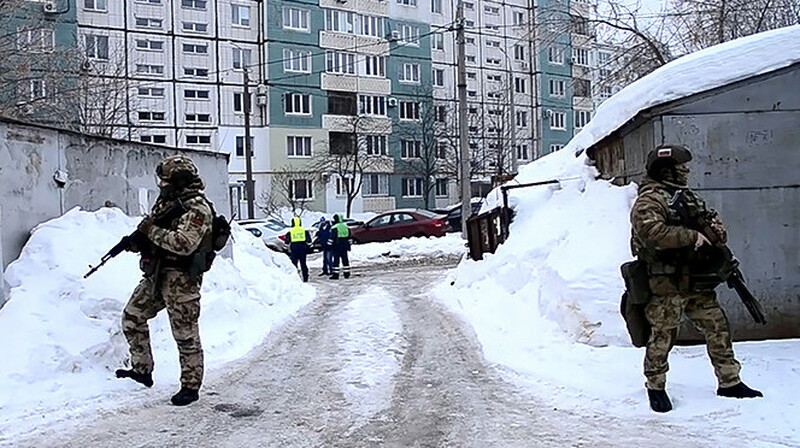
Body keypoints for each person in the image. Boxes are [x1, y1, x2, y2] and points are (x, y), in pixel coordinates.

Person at [630, 144, 762, 413]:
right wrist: (691, 236)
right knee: (663, 335)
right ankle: (656, 387)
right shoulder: (650, 200)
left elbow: (710, 223)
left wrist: (716, 231)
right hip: (667, 283)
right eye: (681, 168)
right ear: (666, 170)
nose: (686, 171)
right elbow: (651, 232)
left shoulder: (686, 197)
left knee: (717, 326)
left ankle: (729, 381)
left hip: (696, 281)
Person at [115, 155, 214, 406]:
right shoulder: (168, 203)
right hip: (157, 274)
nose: (161, 185)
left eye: (166, 181)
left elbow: (183, 243)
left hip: (182, 280)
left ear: (180, 181)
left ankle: (190, 386)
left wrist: (150, 231)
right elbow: (156, 234)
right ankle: (141, 369)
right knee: (132, 316)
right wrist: (136, 242)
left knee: (185, 334)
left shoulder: (197, 208)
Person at [284, 216, 311, 282]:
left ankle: (296, 277)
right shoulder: (304, 230)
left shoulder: (290, 231)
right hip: (303, 248)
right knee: (303, 263)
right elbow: (309, 240)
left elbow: (286, 242)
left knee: (294, 263)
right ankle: (305, 277)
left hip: (294, 248)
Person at [330, 214, 351, 280]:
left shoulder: (335, 227)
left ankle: (336, 275)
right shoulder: (346, 226)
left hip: (337, 245)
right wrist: (349, 245)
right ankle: (347, 274)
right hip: (345, 245)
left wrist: (329, 245)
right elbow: (349, 237)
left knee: (336, 260)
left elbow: (332, 237)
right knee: (345, 259)